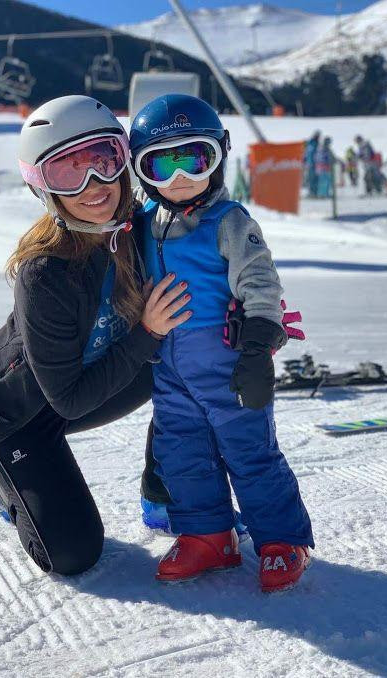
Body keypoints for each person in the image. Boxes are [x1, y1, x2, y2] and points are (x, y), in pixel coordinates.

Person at [0, 95, 192, 575]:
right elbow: (67, 401)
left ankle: (163, 485)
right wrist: (147, 332)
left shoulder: (138, 228)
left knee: (188, 355)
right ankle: (3, 478)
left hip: (88, 381)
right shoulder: (46, 272)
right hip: (20, 412)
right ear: (43, 187)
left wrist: (251, 310)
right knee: (73, 555)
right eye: (69, 172)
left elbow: (207, 259)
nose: (95, 185)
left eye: (103, 161)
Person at [129, 94, 314, 593]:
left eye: (193, 158)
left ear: (217, 157)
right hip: (168, 366)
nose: (180, 178)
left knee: (249, 451)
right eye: (161, 165)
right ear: (141, 171)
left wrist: (257, 350)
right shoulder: (141, 225)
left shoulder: (230, 221)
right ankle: (208, 534)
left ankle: (280, 540)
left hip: (227, 363)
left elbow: (261, 282)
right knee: (181, 451)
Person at [304, 131, 320, 197]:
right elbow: (307, 154)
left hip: (316, 164)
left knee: (315, 178)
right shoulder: (311, 144)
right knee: (311, 179)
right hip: (311, 164)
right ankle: (312, 192)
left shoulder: (316, 144)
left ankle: (315, 192)